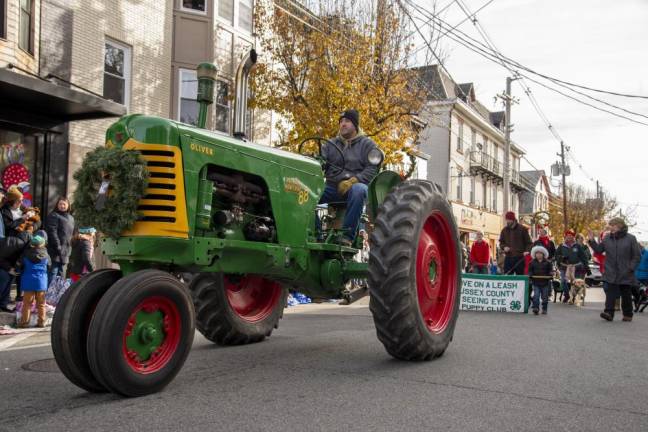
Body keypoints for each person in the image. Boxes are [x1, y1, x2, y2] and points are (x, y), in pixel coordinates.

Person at [319, 109, 380, 246]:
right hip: (332, 188)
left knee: (359, 190)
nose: (343, 124)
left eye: (347, 121)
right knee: (305, 193)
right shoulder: (330, 144)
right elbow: (320, 161)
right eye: (341, 122)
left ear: (355, 125)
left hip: (354, 189)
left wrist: (353, 181)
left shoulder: (367, 144)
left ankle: (347, 236)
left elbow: (372, 169)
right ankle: (316, 233)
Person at [588, 217, 641, 322]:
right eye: (610, 225)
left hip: (626, 271)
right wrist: (591, 240)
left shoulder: (631, 238)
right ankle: (608, 312)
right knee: (610, 292)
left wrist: (631, 268)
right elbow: (599, 250)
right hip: (611, 270)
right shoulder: (607, 238)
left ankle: (627, 314)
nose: (610, 227)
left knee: (625, 293)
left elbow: (637, 256)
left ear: (620, 226)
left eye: (612, 225)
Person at [17, 234, 50, 328]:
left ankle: (24, 323)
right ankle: (41, 322)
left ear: (32, 244)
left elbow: (19, 266)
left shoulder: (26, 254)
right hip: (41, 281)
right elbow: (49, 266)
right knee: (41, 304)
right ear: (42, 244)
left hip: (28, 280)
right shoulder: (46, 255)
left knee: (27, 303)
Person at [45, 196, 75, 285]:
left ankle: (57, 297)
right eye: (60, 204)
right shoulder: (53, 215)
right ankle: (48, 296)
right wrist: (58, 246)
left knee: (61, 275)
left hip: (66, 251)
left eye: (64, 204)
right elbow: (52, 232)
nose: (62, 206)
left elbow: (71, 234)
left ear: (68, 205)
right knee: (53, 273)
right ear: (57, 205)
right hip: (55, 250)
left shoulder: (71, 218)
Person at [555, 229, 589, 303]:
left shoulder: (577, 246)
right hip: (564, 267)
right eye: (567, 236)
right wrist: (561, 258)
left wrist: (582, 264)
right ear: (565, 237)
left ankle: (573, 296)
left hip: (576, 267)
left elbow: (583, 256)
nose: (569, 237)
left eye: (571, 236)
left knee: (575, 283)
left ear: (573, 237)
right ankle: (567, 295)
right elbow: (556, 256)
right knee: (564, 281)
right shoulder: (561, 246)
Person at [528, 245, 553, 315]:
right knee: (536, 296)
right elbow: (530, 271)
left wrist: (551, 274)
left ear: (543, 254)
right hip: (536, 282)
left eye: (540, 253)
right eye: (537, 253)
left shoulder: (548, 263)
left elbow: (550, 270)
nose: (539, 255)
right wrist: (530, 275)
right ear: (535, 254)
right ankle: (536, 308)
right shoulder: (532, 262)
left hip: (545, 282)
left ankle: (544, 308)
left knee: (545, 297)